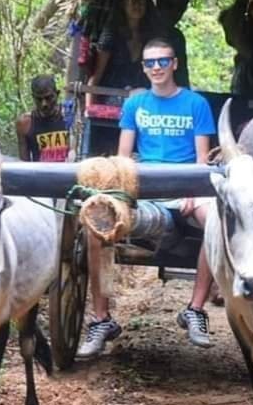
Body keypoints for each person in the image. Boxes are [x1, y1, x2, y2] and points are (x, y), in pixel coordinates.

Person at [77, 38, 218, 359]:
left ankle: (195, 309)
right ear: (143, 68)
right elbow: (124, 158)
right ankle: (101, 320)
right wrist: (121, 197)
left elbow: (201, 159)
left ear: (175, 64)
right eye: (149, 63)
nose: (156, 68)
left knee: (215, 221)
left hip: (185, 187)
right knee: (96, 225)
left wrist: (194, 191)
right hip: (143, 190)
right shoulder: (135, 105)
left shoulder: (195, 104)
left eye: (162, 61)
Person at [84, 0, 155, 110]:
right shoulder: (111, 34)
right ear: (122, 3)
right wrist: (90, 112)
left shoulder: (151, 35)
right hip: (112, 102)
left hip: (143, 104)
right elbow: (96, 76)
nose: (136, 4)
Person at [15, 75, 69, 162]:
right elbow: (24, 165)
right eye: (39, 99)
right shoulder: (25, 123)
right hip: (40, 174)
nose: (44, 104)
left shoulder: (69, 117)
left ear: (57, 94)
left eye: (48, 98)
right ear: (33, 97)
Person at [154, 0, 192, 87]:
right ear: (158, 2)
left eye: (180, 8)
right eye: (169, 5)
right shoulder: (139, 30)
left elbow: (182, 79)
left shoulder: (177, 38)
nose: (174, 12)